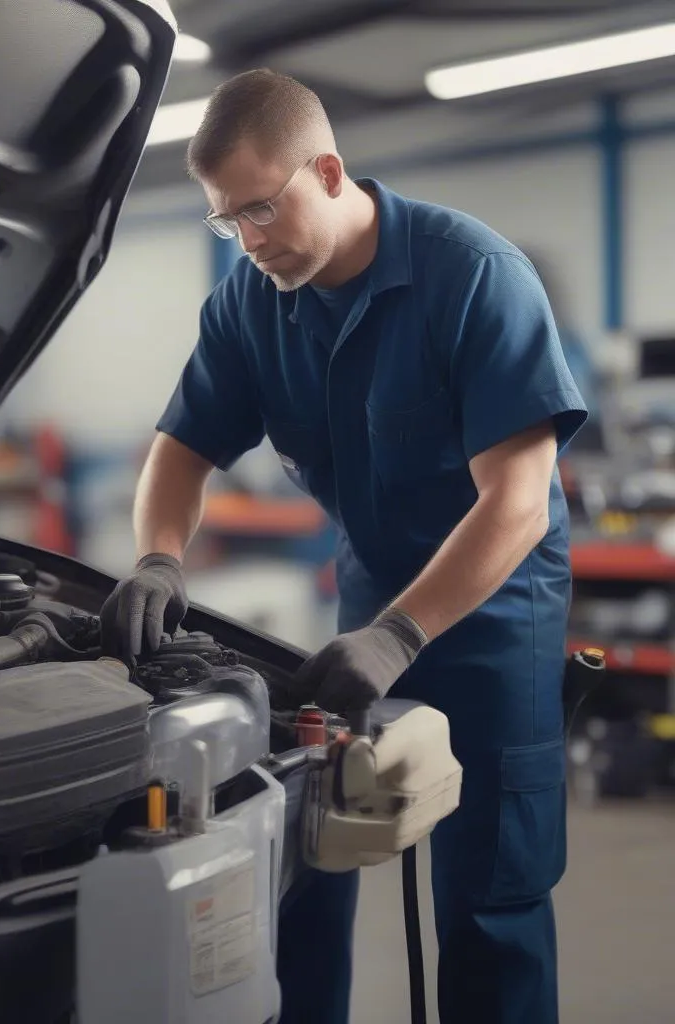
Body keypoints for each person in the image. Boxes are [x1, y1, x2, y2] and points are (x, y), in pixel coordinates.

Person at [98, 69, 586, 1024]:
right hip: (369, 598)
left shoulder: (473, 274)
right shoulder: (252, 302)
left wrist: (403, 636)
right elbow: (180, 450)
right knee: (315, 856)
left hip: (497, 615)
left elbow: (520, 500)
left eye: (263, 209)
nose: (250, 238)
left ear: (328, 169)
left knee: (490, 894)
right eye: (227, 220)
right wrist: (158, 553)